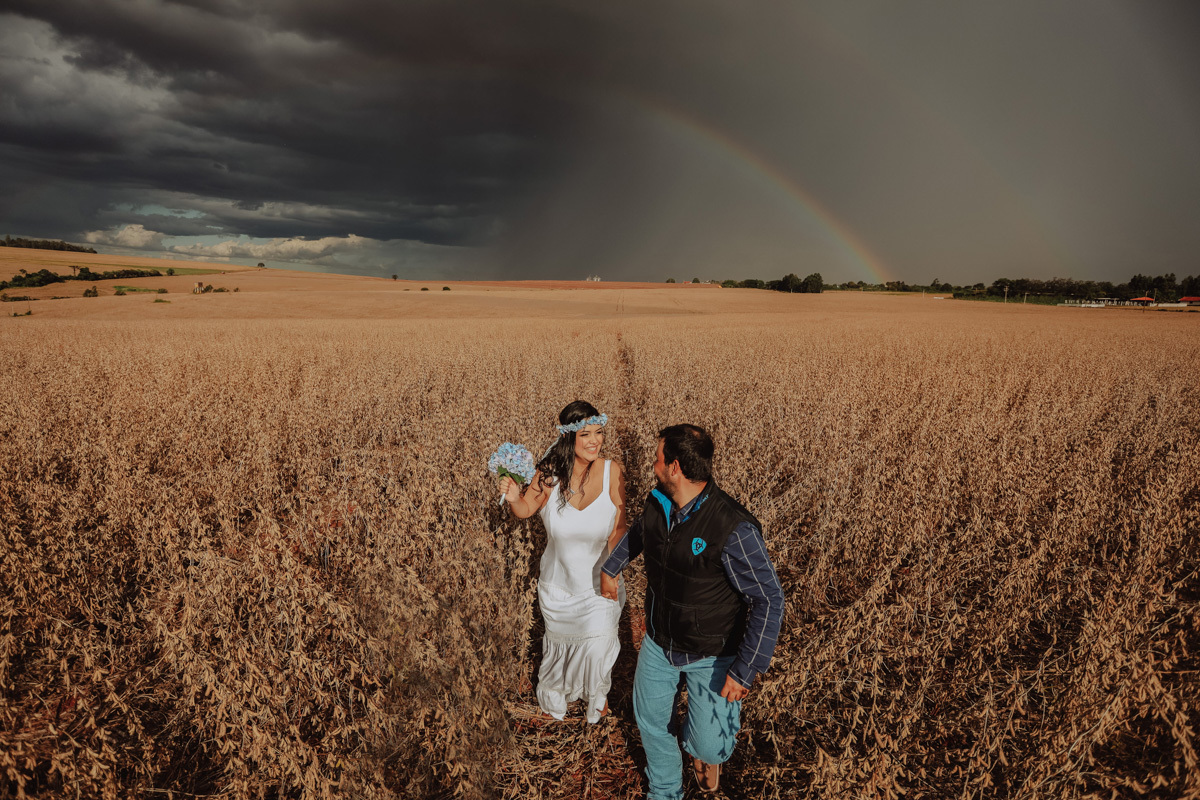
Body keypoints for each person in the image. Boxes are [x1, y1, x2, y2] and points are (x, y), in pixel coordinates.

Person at [600, 424, 784, 798]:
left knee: (708, 745)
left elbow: (769, 598)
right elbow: (640, 533)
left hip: (712, 654)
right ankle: (665, 790)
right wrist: (611, 567)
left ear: (675, 468)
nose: (653, 465)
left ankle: (705, 752)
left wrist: (745, 670)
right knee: (651, 722)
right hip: (659, 642)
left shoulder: (733, 528)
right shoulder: (659, 502)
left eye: (657, 458)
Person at [500, 400, 628, 723]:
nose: (595, 441)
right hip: (559, 588)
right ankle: (557, 698)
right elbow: (527, 508)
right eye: (586, 434)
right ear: (569, 437)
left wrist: (613, 568)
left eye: (599, 433)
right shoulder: (548, 475)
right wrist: (515, 498)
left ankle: (597, 698)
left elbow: (619, 527)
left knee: (600, 645)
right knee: (560, 651)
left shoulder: (613, 473)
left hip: (600, 586)